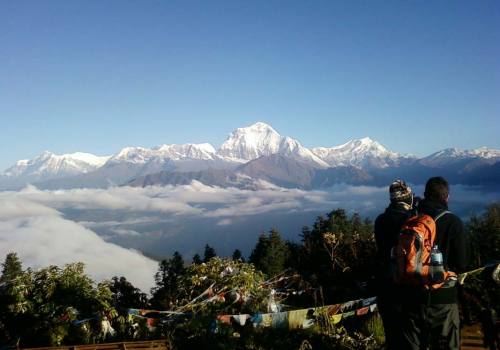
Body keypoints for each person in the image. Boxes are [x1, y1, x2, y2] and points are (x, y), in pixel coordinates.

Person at [401, 176, 468, 350]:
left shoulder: (411, 220)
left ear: (425, 195)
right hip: (443, 300)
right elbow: (461, 263)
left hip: (411, 296)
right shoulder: (453, 222)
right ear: (447, 197)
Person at [374, 179, 416, 350]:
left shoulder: (381, 220)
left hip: (386, 283)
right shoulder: (413, 220)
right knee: (411, 335)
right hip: (410, 282)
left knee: (392, 334)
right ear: (407, 198)